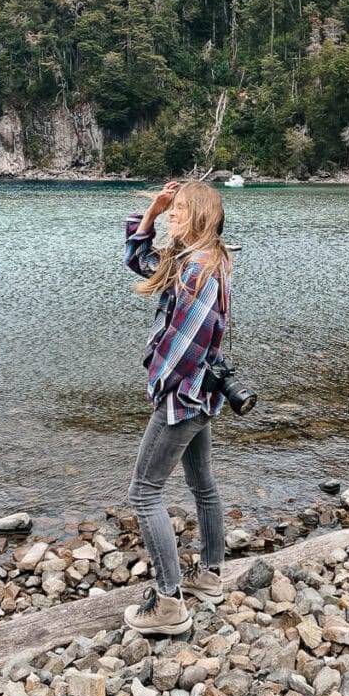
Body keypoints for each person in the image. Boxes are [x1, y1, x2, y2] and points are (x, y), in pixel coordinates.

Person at [122, 180, 230, 635]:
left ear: (202, 215)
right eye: (173, 209)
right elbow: (138, 259)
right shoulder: (197, 259)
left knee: (144, 493)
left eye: (181, 209)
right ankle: (210, 577)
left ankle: (169, 604)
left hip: (182, 395)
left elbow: (185, 344)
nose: (172, 215)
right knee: (202, 484)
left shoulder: (198, 269)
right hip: (203, 392)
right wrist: (154, 210)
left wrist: (159, 386)